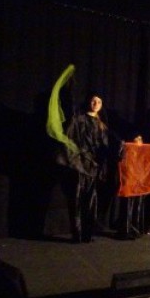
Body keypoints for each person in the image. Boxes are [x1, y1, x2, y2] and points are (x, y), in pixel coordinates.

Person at [63, 92, 112, 243]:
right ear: (88, 102)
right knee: (77, 199)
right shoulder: (78, 119)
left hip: (94, 166)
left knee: (91, 200)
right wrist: (76, 158)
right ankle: (77, 234)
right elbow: (68, 140)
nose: (96, 104)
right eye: (93, 101)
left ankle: (87, 234)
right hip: (80, 165)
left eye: (99, 102)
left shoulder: (101, 124)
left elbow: (105, 145)